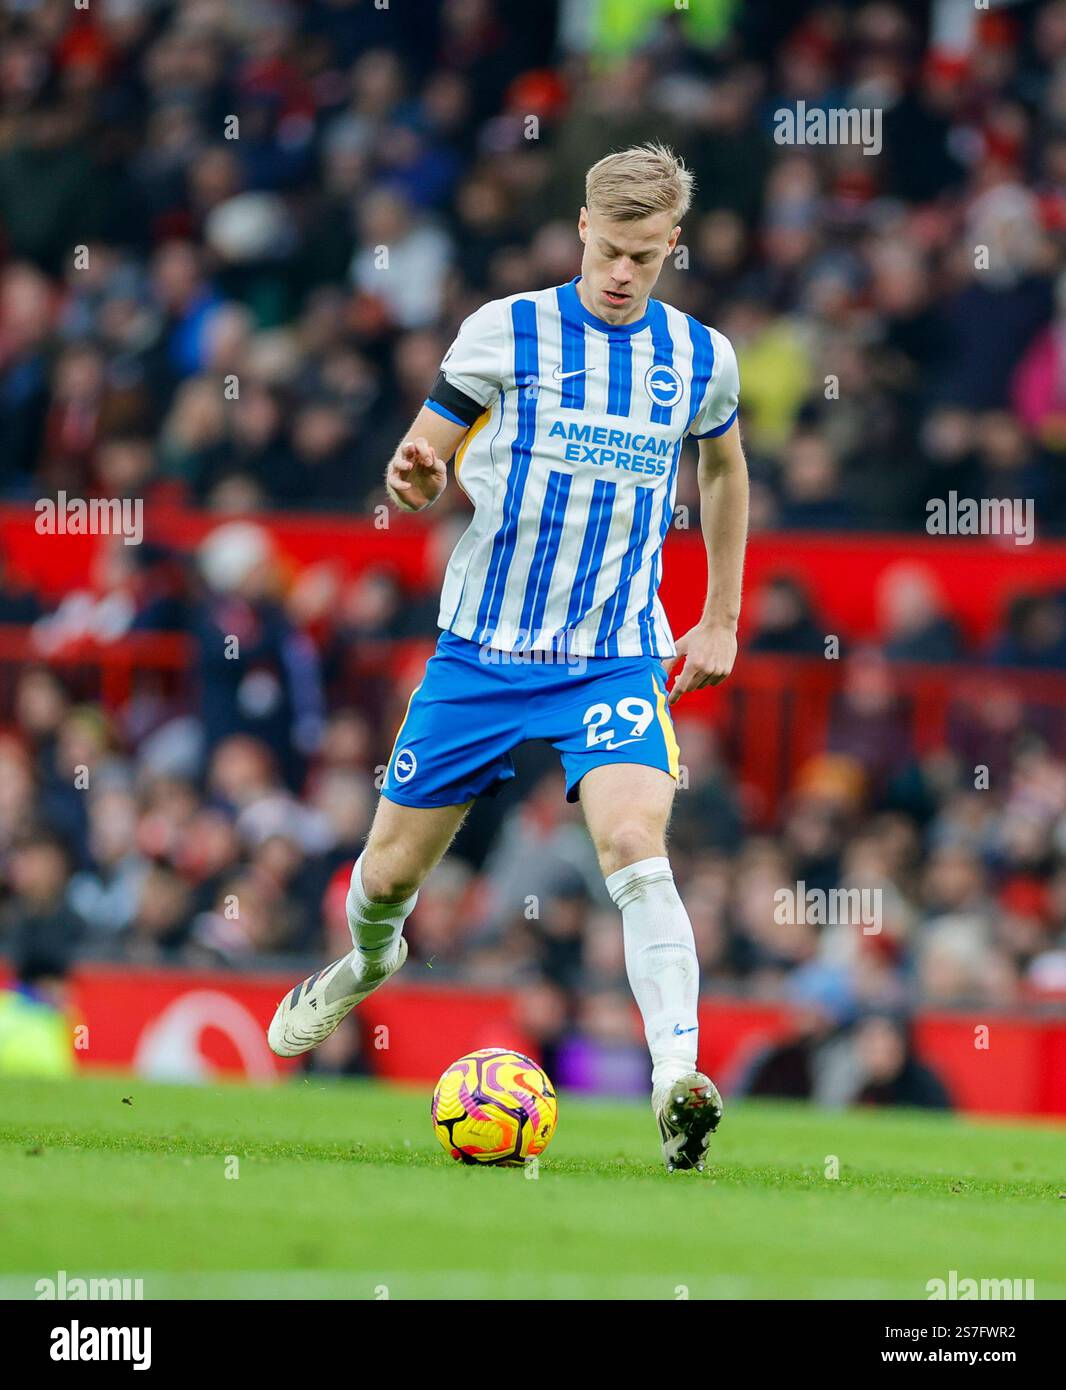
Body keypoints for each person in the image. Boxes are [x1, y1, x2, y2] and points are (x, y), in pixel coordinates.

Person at [268, 144, 749, 1173]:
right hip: (482, 650)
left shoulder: (700, 357)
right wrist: (410, 478)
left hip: (614, 653)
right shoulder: (506, 330)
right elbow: (419, 464)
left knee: (633, 844)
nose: (622, 275)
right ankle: (368, 958)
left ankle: (677, 1083)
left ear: (673, 246)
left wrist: (718, 617)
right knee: (388, 873)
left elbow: (722, 470)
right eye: (608, 251)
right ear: (582, 229)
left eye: (643, 257)